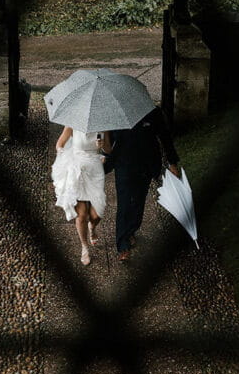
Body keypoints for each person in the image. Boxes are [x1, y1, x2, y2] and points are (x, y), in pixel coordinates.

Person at [108, 107, 180, 262]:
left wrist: (172, 162)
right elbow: (109, 142)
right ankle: (122, 246)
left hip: (146, 165)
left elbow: (164, 137)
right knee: (124, 203)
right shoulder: (114, 113)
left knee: (139, 201)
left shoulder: (152, 112)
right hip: (124, 165)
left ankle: (132, 229)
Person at [51, 127, 111, 266]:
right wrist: (66, 160)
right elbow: (60, 144)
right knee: (82, 215)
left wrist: (103, 147)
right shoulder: (73, 123)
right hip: (76, 170)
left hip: (95, 170)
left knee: (97, 214)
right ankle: (84, 247)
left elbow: (109, 150)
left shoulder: (104, 125)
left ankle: (92, 227)